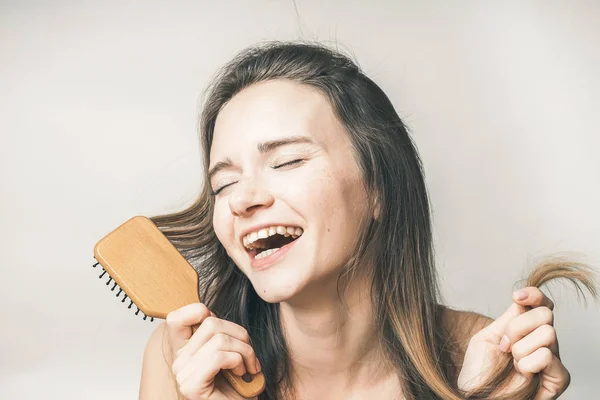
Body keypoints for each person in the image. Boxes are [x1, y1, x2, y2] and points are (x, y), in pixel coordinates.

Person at [138, 41, 595, 399]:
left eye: (288, 161)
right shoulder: (181, 358)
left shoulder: (480, 357)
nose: (242, 200)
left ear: (378, 185)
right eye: (224, 184)